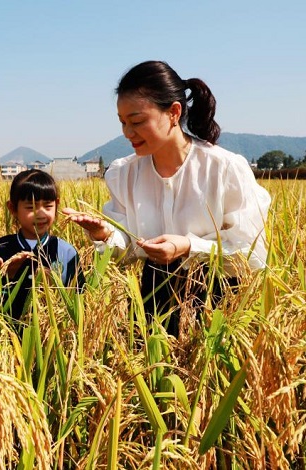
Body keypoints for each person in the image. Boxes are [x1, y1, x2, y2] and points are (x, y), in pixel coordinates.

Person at [63, 60, 271, 337]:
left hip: (218, 306)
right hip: (152, 302)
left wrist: (187, 246)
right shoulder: (124, 173)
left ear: (174, 112)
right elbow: (126, 249)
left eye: (137, 121)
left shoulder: (224, 168)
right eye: (123, 123)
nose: (127, 133)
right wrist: (104, 233)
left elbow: (251, 252)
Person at [0, 169, 85, 325]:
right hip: (7, 336)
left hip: (54, 338)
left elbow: (80, 300)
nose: (41, 214)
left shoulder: (66, 252)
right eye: (31, 207)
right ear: (13, 208)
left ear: (57, 205)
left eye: (48, 206)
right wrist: (6, 277)